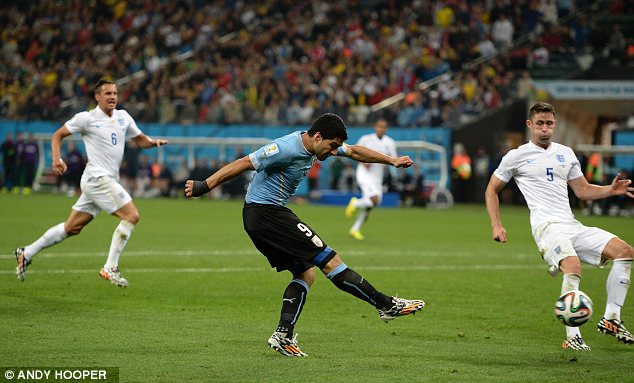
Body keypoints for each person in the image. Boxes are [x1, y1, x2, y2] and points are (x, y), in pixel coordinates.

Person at [185, 113, 425, 357]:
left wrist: (391, 160)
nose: (334, 153)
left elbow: (353, 152)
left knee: (306, 273)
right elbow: (244, 162)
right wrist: (205, 185)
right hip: (267, 215)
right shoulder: (285, 148)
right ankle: (387, 305)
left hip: (261, 217)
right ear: (318, 137)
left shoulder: (318, 145)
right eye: (332, 147)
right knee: (330, 261)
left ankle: (283, 335)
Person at [485, 102, 634, 351]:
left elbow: (583, 190)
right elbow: (492, 189)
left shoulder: (566, 153)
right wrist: (496, 225)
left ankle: (611, 319)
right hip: (546, 226)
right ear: (529, 125)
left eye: (550, 124)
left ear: (555, 125)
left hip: (571, 225)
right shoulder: (516, 156)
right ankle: (573, 336)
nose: (545, 129)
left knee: (626, 252)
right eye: (540, 124)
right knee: (573, 266)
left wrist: (609, 189)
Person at [14, 79, 168, 286]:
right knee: (132, 215)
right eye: (107, 94)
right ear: (97, 97)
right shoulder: (86, 118)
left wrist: (152, 142)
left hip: (103, 181)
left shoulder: (123, 117)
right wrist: (56, 158)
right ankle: (110, 267)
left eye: (114, 93)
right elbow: (58, 135)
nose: (112, 97)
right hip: (97, 178)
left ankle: (27, 252)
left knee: (72, 228)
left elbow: (139, 139)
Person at [344, 117, 397, 240]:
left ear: (386, 129)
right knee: (374, 200)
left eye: (383, 127)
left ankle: (355, 229)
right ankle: (355, 203)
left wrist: (388, 166)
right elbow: (354, 152)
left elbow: (393, 159)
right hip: (364, 174)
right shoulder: (366, 139)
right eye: (379, 126)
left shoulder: (390, 143)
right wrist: (363, 161)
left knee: (371, 205)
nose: (381, 129)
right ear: (375, 127)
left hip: (377, 177)